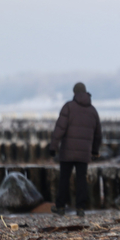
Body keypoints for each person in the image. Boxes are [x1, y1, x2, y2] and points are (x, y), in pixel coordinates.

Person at [49, 82, 102, 217]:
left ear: (74, 92)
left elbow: (59, 129)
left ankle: (60, 207)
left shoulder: (68, 107)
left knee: (64, 179)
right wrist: (95, 151)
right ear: (85, 92)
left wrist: (53, 147)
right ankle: (80, 208)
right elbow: (98, 134)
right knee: (81, 180)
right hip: (84, 153)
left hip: (67, 151)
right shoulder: (93, 111)